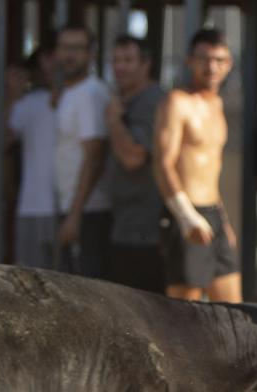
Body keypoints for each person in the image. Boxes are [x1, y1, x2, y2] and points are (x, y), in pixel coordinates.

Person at [154, 28, 241, 302]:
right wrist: (185, 215)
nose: (211, 67)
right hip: (186, 213)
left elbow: (210, 171)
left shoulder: (217, 104)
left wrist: (223, 221)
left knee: (232, 310)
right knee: (184, 314)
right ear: (190, 61)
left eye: (219, 60)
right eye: (204, 59)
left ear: (229, 64)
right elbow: (163, 162)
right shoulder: (177, 102)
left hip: (213, 214)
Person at [101, 35, 166, 292]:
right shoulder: (126, 101)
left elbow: (133, 157)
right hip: (126, 224)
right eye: (116, 60)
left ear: (145, 64)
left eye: (128, 60)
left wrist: (114, 122)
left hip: (145, 230)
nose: (120, 67)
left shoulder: (152, 101)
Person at [52, 24, 112, 277]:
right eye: (65, 48)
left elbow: (95, 155)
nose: (69, 55)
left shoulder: (90, 93)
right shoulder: (70, 92)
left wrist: (75, 216)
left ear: (90, 54)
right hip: (74, 208)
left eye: (77, 48)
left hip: (89, 212)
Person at [8, 47, 58, 269]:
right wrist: (11, 96)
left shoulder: (84, 96)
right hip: (31, 206)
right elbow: (3, 141)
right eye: (45, 61)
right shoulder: (27, 103)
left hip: (68, 209)